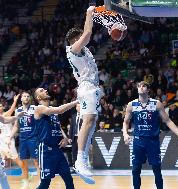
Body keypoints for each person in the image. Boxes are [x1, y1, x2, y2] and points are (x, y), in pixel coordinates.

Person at [123, 81, 178, 189]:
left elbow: (167, 121)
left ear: (148, 90)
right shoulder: (131, 105)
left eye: (144, 86)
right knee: (135, 169)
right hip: (138, 141)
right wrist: (125, 134)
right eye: (139, 86)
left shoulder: (156, 104)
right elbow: (126, 122)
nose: (141, 87)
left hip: (153, 141)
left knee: (157, 169)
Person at [65, 5, 105, 183]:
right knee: (88, 121)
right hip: (86, 88)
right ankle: (79, 160)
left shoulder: (85, 51)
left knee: (92, 124)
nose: (83, 38)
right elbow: (88, 33)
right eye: (79, 37)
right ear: (74, 40)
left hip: (94, 89)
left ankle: (83, 161)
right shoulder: (72, 50)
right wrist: (89, 13)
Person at [34, 87, 78, 189]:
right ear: (38, 97)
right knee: (45, 183)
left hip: (57, 150)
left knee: (68, 178)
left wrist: (65, 138)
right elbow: (60, 110)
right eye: (41, 91)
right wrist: (77, 101)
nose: (45, 90)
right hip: (45, 150)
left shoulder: (52, 111)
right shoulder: (39, 108)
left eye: (44, 89)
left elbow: (58, 127)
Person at [8, 92, 39, 189]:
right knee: (23, 162)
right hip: (23, 139)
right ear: (21, 99)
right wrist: (10, 137)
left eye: (27, 96)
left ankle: (40, 181)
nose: (26, 97)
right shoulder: (18, 111)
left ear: (30, 98)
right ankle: (25, 182)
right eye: (24, 96)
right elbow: (16, 126)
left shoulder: (35, 108)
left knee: (36, 162)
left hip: (34, 138)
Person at [0, 94, 23, 168]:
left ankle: (26, 172)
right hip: (0, 139)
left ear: (3, 107)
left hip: (8, 139)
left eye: (0, 106)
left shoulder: (6, 115)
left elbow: (12, 109)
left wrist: (15, 101)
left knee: (15, 158)